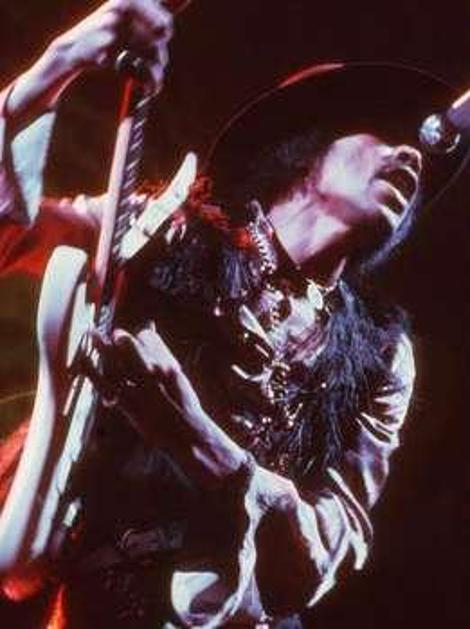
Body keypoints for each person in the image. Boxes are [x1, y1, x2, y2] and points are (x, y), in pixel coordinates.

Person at [0, 1, 467, 627]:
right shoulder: (161, 228)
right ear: (306, 142)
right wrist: (60, 63)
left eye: (420, 148)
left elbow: (326, 551)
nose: (412, 155)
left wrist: (202, 443)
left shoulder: (382, 355)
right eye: (383, 130)